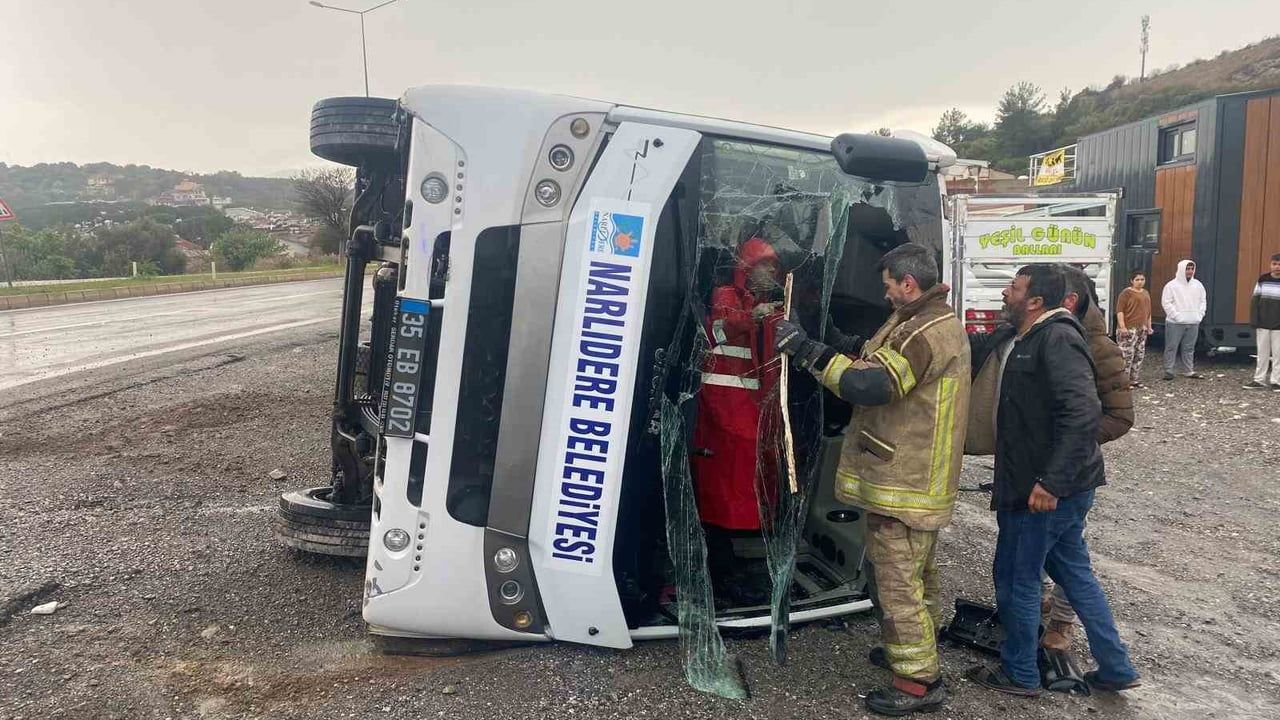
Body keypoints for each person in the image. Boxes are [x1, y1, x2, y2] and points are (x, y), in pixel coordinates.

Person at [776, 243, 970, 716]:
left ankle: (918, 683)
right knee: (918, 576)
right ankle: (915, 653)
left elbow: (869, 384)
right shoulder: (920, 321)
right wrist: (815, 334)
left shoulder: (924, 332)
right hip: (916, 479)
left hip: (907, 479)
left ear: (908, 283)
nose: (884, 295)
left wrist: (805, 353)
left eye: (888, 286)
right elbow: (867, 357)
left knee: (897, 581)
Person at [965, 264, 1140, 697]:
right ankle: (1116, 667)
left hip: (1042, 492)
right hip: (1052, 487)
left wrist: (1051, 482)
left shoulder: (1057, 338)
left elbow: (1084, 415)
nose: (1006, 292)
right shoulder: (1025, 337)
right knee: (1075, 574)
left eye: (1014, 287)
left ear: (1036, 301)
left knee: (1016, 578)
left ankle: (1020, 673)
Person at [1039, 265, 1133, 652]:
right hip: (1044, 468)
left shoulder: (1098, 346)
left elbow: (1121, 417)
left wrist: (1069, 442)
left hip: (1071, 473)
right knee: (1049, 550)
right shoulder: (1049, 336)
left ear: (1071, 301)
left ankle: (1062, 621)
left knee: (1070, 557)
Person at [691, 237, 783, 601]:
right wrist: (753, 318)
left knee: (736, 493)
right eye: (766, 265)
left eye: (776, 267)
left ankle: (724, 568)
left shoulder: (768, 305)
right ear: (747, 267)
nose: (772, 273)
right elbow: (716, 331)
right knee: (718, 496)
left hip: (748, 415)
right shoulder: (726, 296)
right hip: (719, 416)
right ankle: (717, 573)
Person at [1160, 259, 1207, 381]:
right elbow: (1166, 302)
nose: (1190, 271)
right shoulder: (1171, 285)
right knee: (1171, 346)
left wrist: (1200, 315)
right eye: (1187, 269)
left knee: (1189, 347)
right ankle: (1168, 370)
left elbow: (1203, 301)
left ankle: (1188, 370)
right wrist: (1176, 315)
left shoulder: (1198, 285)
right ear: (1181, 269)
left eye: (1192, 269)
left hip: (1193, 321)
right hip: (1175, 322)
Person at [1243, 253, 1280, 390]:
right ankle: (1259, 380)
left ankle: (1276, 381)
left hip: (1279, 327)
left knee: (1278, 354)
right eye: (1274, 264)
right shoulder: (1263, 280)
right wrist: (1254, 320)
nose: (1277, 267)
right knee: (1262, 353)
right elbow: (1255, 301)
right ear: (1270, 264)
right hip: (1263, 324)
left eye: (1279, 264)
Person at [1115, 270, 1154, 387]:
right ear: (1132, 281)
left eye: (1142, 279)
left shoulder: (1146, 293)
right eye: (1137, 279)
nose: (1140, 282)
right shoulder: (1126, 293)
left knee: (1139, 354)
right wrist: (1122, 327)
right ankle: (1123, 380)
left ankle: (1134, 379)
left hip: (1141, 328)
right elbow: (1120, 310)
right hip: (1129, 328)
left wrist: (1149, 326)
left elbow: (1148, 312)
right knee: (1126, 355)